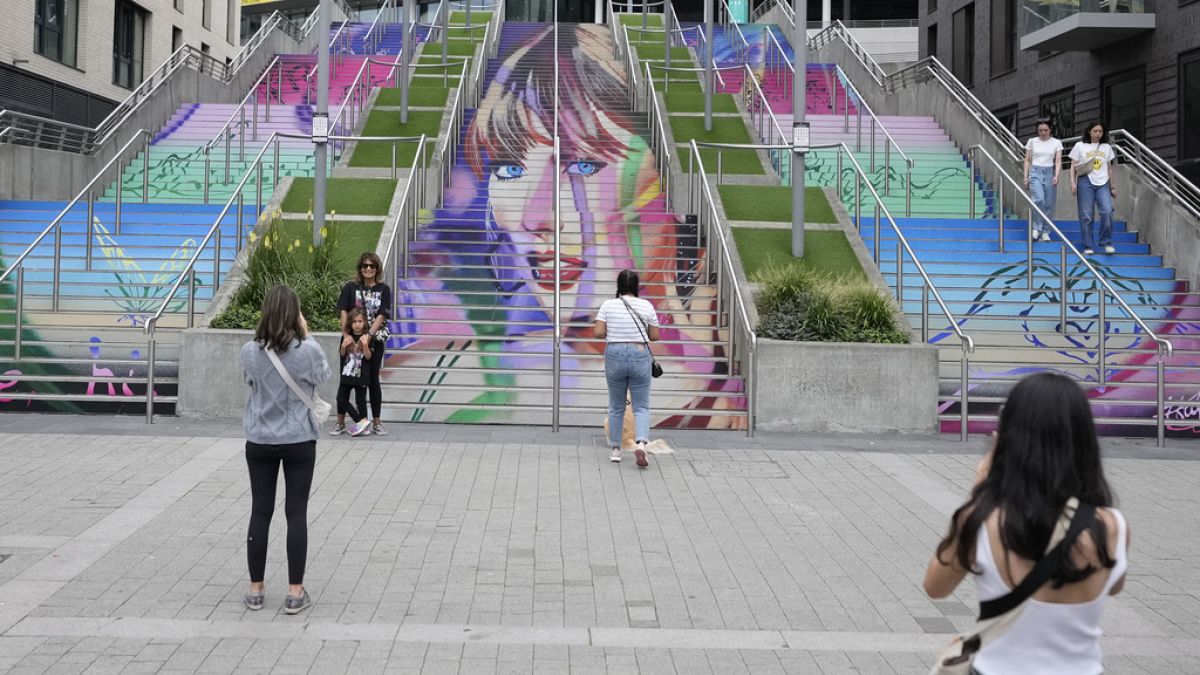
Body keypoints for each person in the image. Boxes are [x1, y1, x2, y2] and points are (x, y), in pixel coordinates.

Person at [384, 24, 743, 428]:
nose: (534, 216)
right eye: (509, 168)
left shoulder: (710, 392)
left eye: (584, 165)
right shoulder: (431, 371)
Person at [924, 372, 1130, 673]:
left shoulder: (980, 520)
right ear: (1083, 439)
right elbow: (1113, 586)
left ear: (1009, 438)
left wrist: (982, 492)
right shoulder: (1113, 526)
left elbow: (935, 587)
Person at [239, 285, 331, 615]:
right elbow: (323, 376)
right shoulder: (307, 350)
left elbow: (249, 383)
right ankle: (295, 592)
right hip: (298, 440)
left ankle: (255, 590)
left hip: (260, 439)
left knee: (260, 512)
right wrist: (305, 335)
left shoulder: (250, 351)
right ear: (295, 313)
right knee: (296, 513)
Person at [594, 269, 660, 467]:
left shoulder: (608, 305)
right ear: (636, 286)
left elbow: (598, 333)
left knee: (616, 405)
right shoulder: (646, 305)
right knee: (641, 406)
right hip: (639, 353)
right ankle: (640, 444)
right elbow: (655, 336)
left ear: (619, 286)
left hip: (614, 354)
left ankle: (616, 449)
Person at [338, 252, 392, 435]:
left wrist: (368, 336)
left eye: (372, 266)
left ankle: (376, 421)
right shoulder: (350, 288)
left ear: (377, 268)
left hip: (373, 340)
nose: (368, 269)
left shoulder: (384, 289)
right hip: (350, 339)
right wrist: (347, 336)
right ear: (360, 268)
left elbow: (382, 315)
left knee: (372, 381)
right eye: (364, 266)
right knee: (345, 380)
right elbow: (343, 312)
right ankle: (340, 422)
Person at [1069, 121, 1118, 256]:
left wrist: (1112, 187)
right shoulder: (1080, 146)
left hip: (1103, 183)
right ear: (1089, 131)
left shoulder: (1106, 147)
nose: (1098, 134)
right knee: (1086, 216)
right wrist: (1073, 184)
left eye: (1100, 131)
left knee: (1107, 211)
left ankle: (1106, 242)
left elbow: (1109, 168)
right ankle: (1088, 245)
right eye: (1095, 131)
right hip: (1085, 182)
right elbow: (1073, 166)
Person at [331, 307, 373, 437]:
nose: (357, 324)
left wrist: (365, 345)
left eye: (360, 321)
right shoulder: (347, 336)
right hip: (347, 373)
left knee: (361, 401)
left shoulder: (367, 337)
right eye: (354, 322)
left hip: (361, 375)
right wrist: (343, 346)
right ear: (350, 323)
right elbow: (342, 354)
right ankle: (361, 421)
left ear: (365, 322)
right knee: (340, 398)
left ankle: (363, 425)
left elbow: (368, 357)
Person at [1023, 119, 1062, 242]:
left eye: (1045, 130)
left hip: (1049, 172)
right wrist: (1025, 177)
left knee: (1049, 203)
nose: (1043, 133)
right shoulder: (1032, 141)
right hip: (1035, 172)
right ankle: (1037, 228)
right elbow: (1027, 160)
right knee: (1039, 199)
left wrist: (1057, 175)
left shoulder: (1056, 142)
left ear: (1050, 129)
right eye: (1040, 130)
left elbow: (1058, 160)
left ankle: (1045, 231)